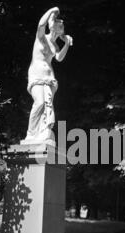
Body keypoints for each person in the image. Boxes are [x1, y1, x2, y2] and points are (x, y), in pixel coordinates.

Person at [23, 7, 73, 144]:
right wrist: (52, 10)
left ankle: (44, 131)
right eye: (58, 25)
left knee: (47, 105)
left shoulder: (55, 46)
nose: (61, 27)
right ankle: (31, 134)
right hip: (36, 74)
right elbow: (40, 24)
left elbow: (59, 58)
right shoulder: (41, 37)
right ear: (52, 26)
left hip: (50, 78)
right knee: (39, 102)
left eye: (61, 26)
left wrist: (67, 43)